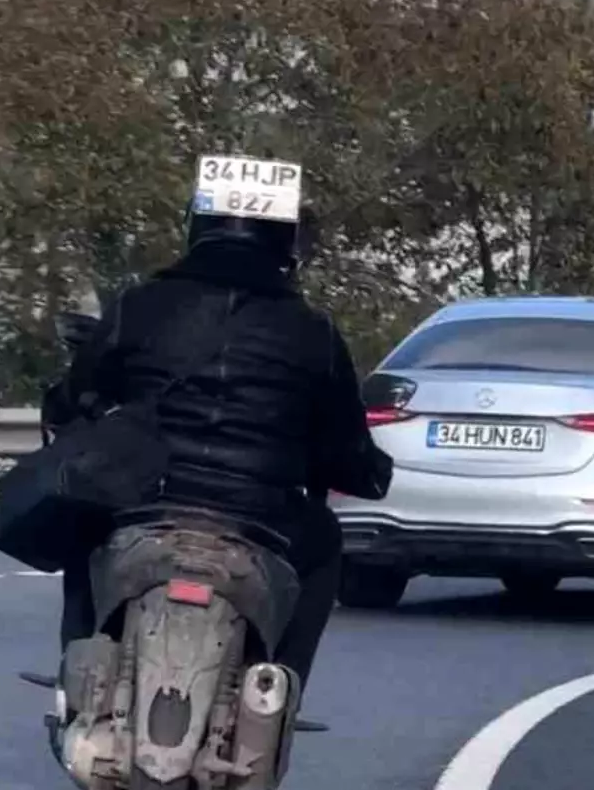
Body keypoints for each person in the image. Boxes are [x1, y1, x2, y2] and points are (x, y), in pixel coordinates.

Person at [42, 176, 392, 698]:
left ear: (195, 228)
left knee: (82, 526)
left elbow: (75, 397)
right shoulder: (312, 332)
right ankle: (277, 693)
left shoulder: (139, 304)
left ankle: (76, 680)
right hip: (262, 517)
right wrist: (364, 471)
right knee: (325, 545)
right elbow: (347, 448)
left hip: (142, 502)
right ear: (286, 245)